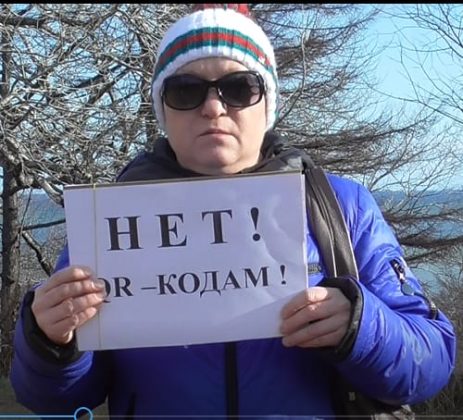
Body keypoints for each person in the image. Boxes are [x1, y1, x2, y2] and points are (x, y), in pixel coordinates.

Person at [10, 4, 456, 419]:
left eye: (239, 88)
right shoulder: (109, 219)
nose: (213, 107)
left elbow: (430, 361)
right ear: (162, 108)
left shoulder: (341, 205)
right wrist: (50, 341)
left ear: (268, 104)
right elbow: (55, 398)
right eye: (186, 90)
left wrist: (360, 326)